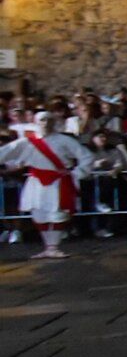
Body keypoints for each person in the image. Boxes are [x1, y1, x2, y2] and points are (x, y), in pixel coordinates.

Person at [0, 111, 87, 259]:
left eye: (48, 120)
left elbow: (86, 156)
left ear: (53, 122)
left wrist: (76, 173)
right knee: (39, 214)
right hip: (36, 182)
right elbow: (5, 152)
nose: (45, 123)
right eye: (41, 120)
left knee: (57, 213)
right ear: (35, 122)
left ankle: (54, 247)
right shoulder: (26, 142)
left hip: (58, 181)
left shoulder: (64, 140)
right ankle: (48, 247)